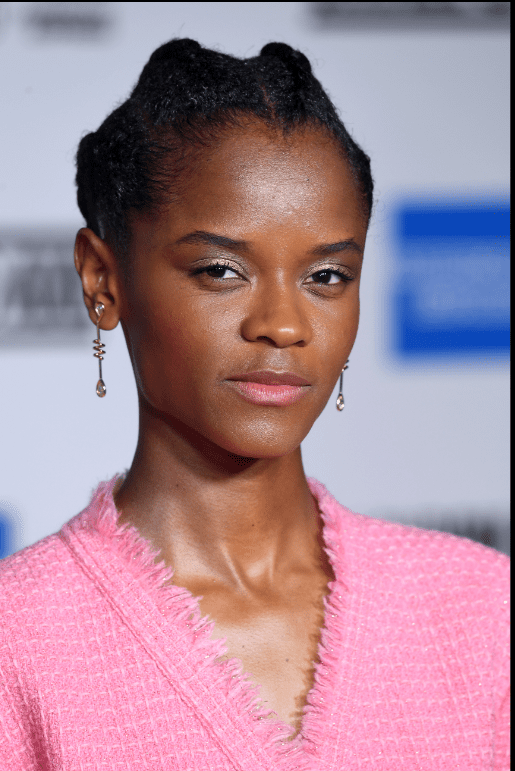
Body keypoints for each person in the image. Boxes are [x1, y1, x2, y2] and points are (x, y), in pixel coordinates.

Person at [0, 39, 509, 771]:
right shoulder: (18, 640)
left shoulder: (482, 611)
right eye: (221, 270)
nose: (283, 324)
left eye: (327, 276)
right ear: (102, 280)